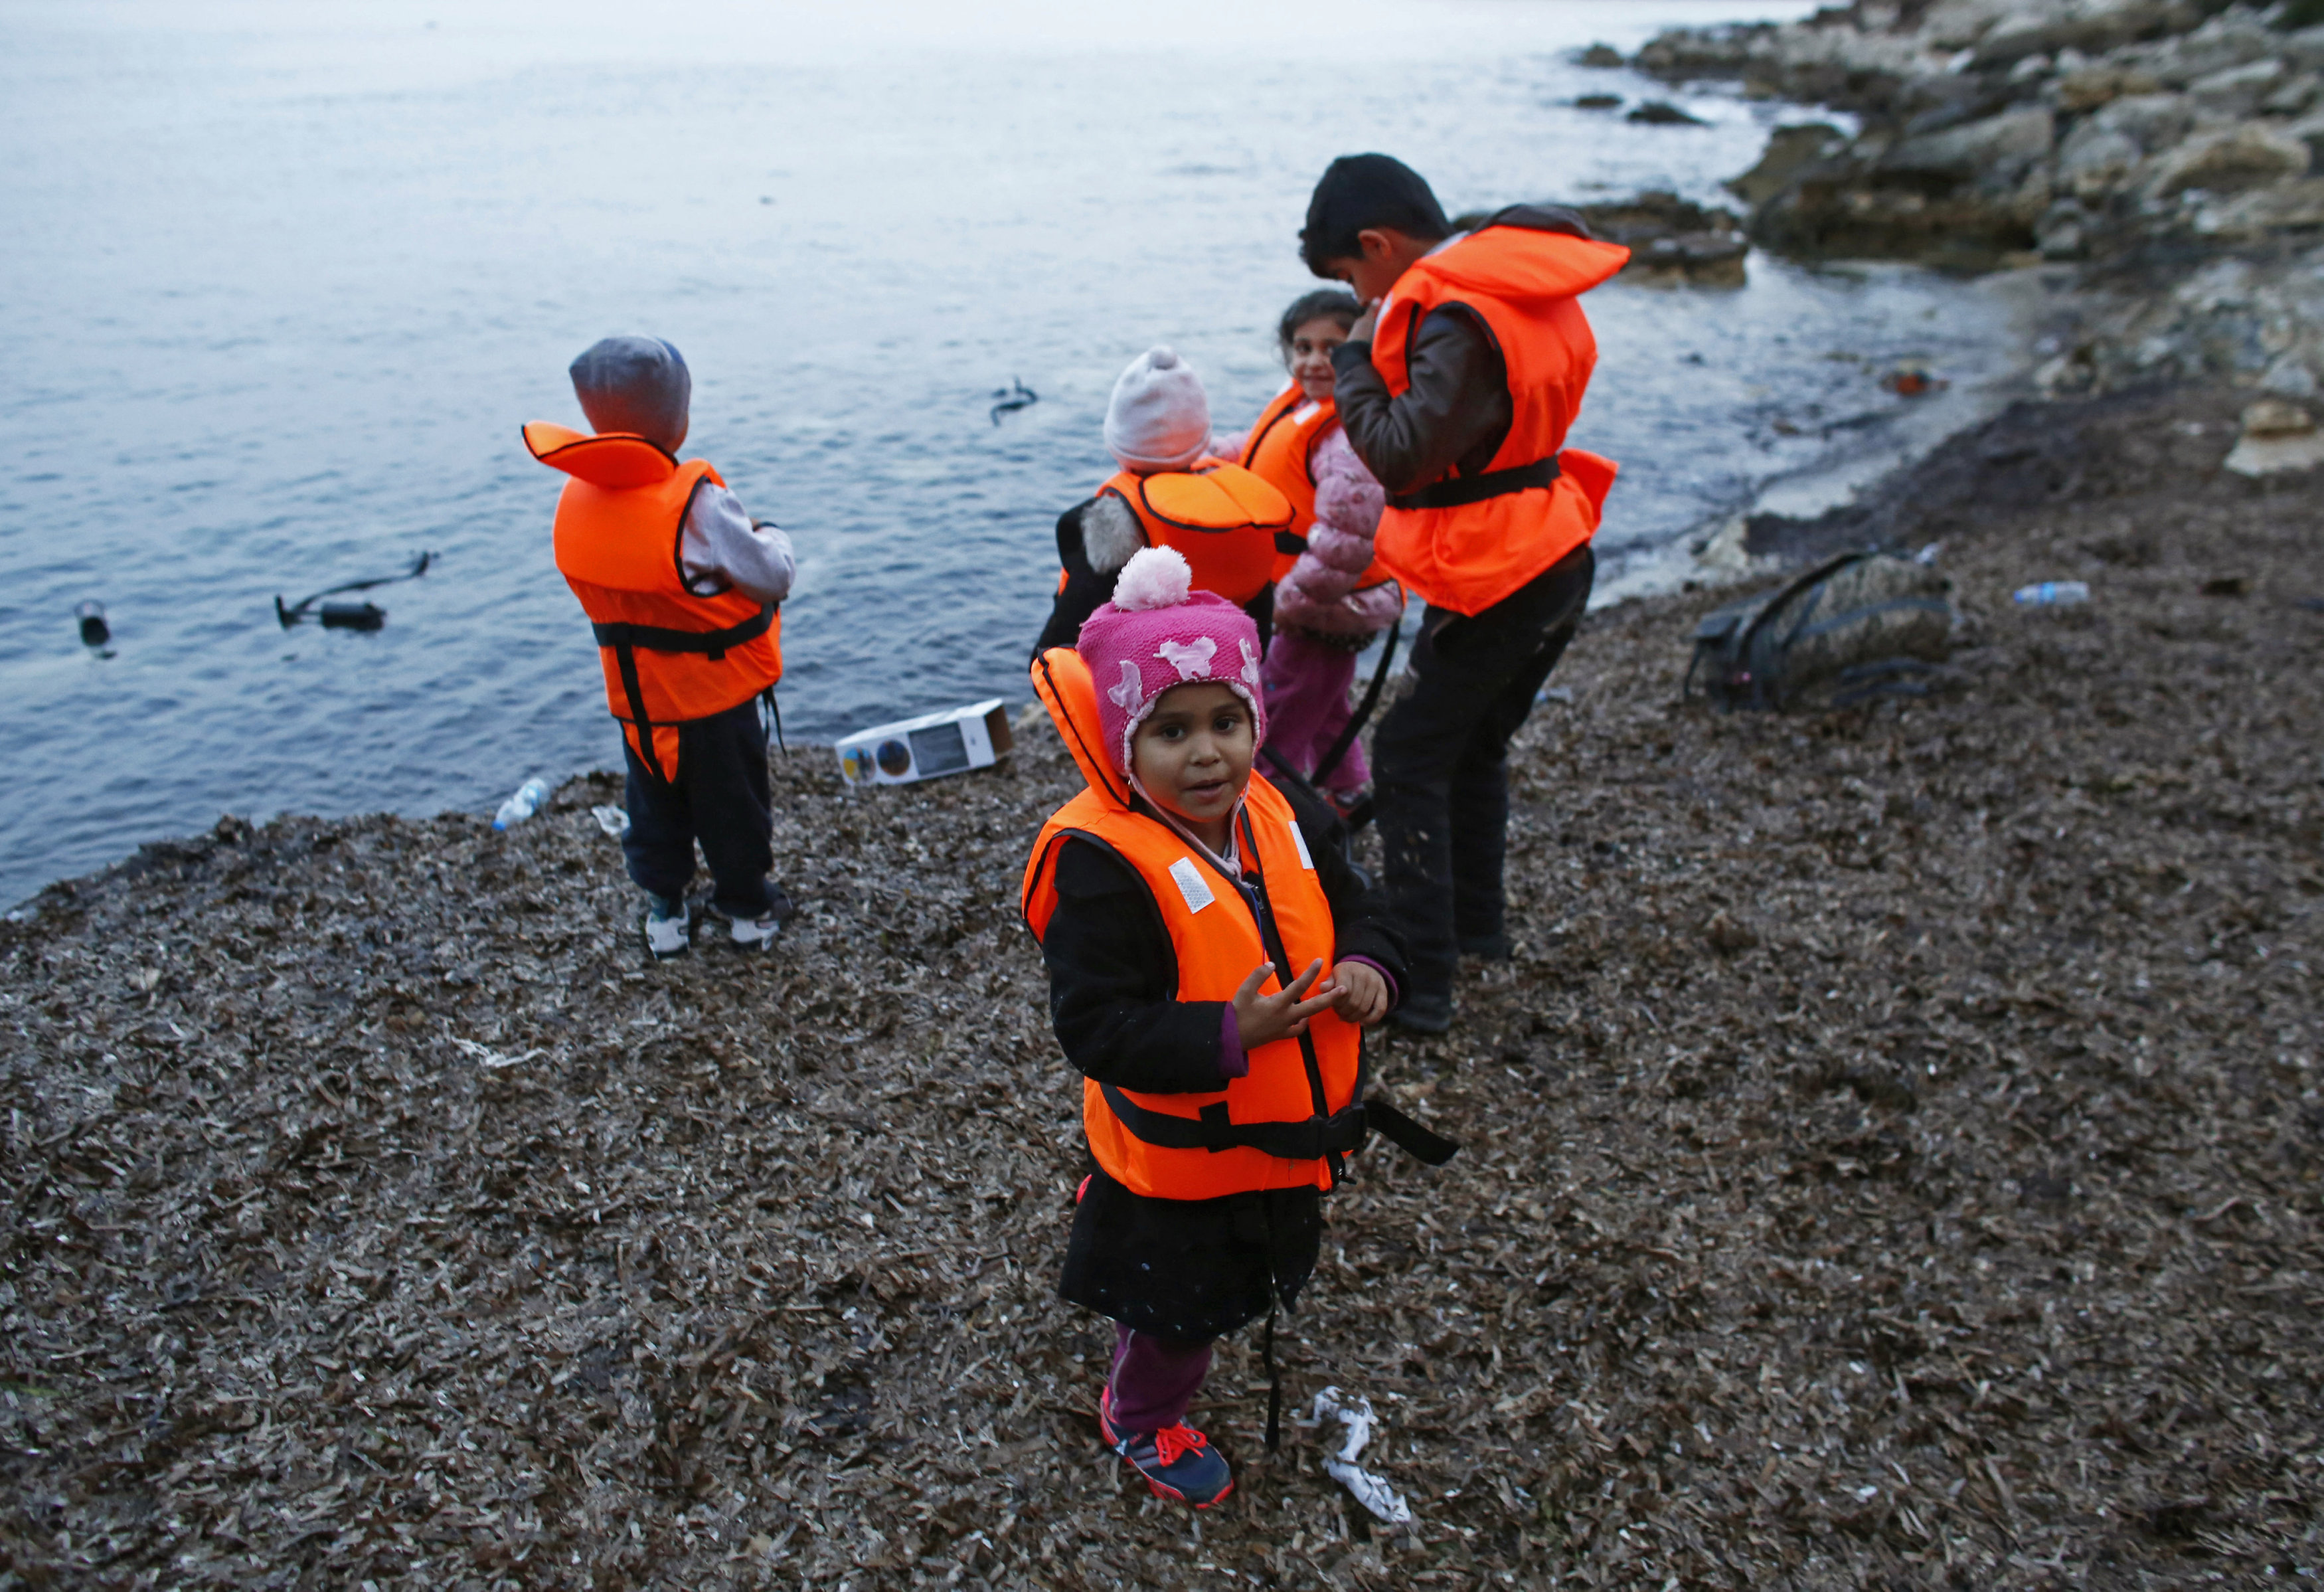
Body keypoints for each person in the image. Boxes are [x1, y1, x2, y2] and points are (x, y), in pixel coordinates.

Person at [1022, 545, 1453, 1508]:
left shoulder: (1278, 806)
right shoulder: (1102, 866)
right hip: (1187, 1147)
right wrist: (1230, 1031)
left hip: (1287, 1132)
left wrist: (1371, 967)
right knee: (1180, 1308)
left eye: (1227, 721)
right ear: (1119, 740)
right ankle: (1140, 1418)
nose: (1207, 752)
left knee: (1254, 1259)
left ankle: (1134, 1270)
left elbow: (1362, 905)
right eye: (1169, 730)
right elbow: (1095, 1028)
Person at [1298, 153, 1629, 1032]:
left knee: (1409, 757)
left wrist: (1361, 358)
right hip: (1555, 544)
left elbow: (1402, 453)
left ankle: (1423, 984)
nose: (1357, 296)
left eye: (1349, 277)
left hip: (1504, 570)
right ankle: (1479, 930)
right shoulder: (1514, 281)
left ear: (1377, 244)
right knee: (1473, 747)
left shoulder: (1451, 310)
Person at [523, 336, 798, 960]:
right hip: (712, 703)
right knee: (733, 807)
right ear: (678, 417)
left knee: (653, 809)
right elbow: (770, 575)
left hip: (639, 704)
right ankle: (749, 912)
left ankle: (665, 915)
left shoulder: (578, 497)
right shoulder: (699, 504)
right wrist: (774, 535)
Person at [1216, 289, 1403, 813]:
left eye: (1332, 348)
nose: (1314, 361)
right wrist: (1199, 456)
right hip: (1309, 591)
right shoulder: (1302, 407)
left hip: (1325, 602)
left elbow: (1348, 527)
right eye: (1302, 348)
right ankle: (1345, 792)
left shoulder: (1344, 431)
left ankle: (1262, 815)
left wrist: (1297, 598)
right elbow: (1258, 448)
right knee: (1324, 702)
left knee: (1279, 712)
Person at [1032, 347, 1292, 661]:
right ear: (1201, 435)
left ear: (1118, 442)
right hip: (1230, 671)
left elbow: (1057, 645)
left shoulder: (1115, 522)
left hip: (1154, 682)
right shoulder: (1240, 505)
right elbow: (1259, 622)